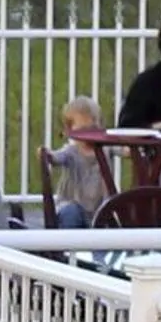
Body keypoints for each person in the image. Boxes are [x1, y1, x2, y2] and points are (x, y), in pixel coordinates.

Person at [45, 97, 110, 229]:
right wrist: (48, 155)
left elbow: (124, 150)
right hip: (71, 204)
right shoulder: (71, 151)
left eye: (93, 129)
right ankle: (68, 241)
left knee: (112, 209)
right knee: (71, 213)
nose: (89, 135)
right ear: (70, 131)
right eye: (83, 130)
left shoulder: (106, 149)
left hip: (98, 210)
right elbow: (57, 158)